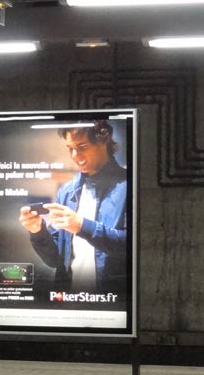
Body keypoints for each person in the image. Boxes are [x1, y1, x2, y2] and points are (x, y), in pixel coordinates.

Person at [18, 121, 128, 293]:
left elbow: (135, 248)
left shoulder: (129, 185)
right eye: (70, 148)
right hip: (69, 298)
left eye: (82, 147)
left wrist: (81, 226)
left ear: (104, 140)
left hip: (112, 300)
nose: (75, 156)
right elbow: (55, 260)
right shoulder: (67, 191)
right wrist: (37, 231)